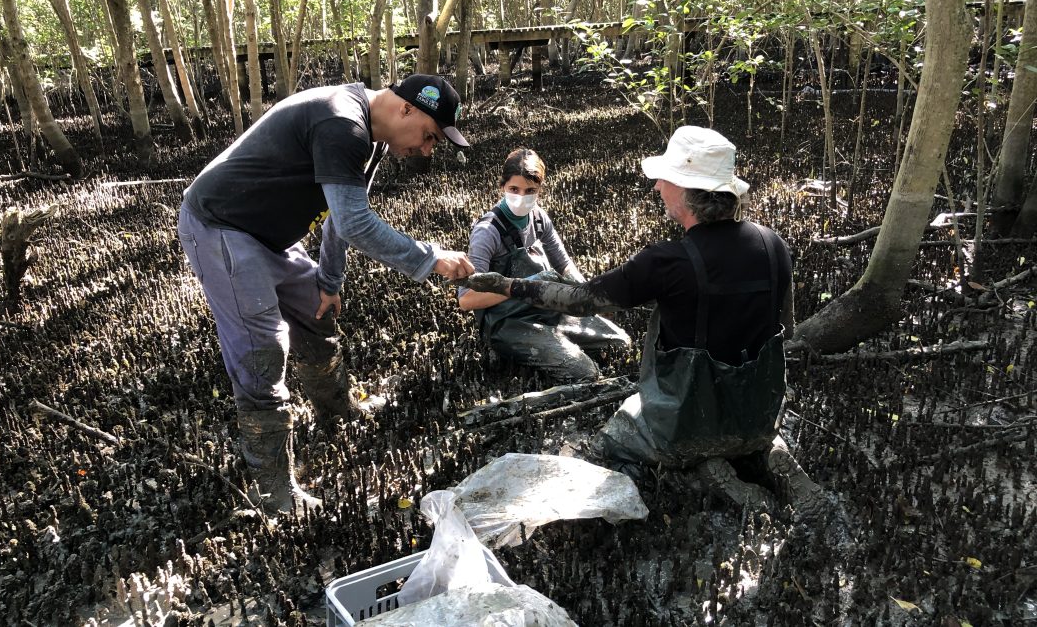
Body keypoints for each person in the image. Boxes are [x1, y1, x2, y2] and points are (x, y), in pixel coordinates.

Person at [460, 127, 822, 510]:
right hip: (758, 418)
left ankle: (702, 468)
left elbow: (583, 300)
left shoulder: (666, 261)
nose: (656, 189)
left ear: (684, 190)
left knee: (613, 435)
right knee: (747, 436)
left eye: (662, 180)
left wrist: (508, 286)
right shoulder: (775, 246)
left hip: (683, 424)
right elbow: (788, 331)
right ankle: (763, 456)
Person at [177, 74, 475, 515]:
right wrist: (429, 258)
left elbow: (341, 218)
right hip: (222, 227)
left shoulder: (368, 137)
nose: (426, 150)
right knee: (263, 353)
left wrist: (330, 282)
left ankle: (337, 411)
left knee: (318, 315)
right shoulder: (342, 123)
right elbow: (356, 223)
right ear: (406, 109)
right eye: (429, 137)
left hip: (272, 237)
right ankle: (276, 493)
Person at [457, 148, 630, 382]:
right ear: (502, 187)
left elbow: (564, 265)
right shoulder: (487, 232)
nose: (521, 197)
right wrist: (532, 283)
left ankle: (557, 338)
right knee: (585, 373)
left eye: (530, 191)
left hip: (548, 309)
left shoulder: (539, 217)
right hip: (508, 324)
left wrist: (590, 296)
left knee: (622, 344)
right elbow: (466, 299)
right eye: (514, 189)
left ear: (540, 190)